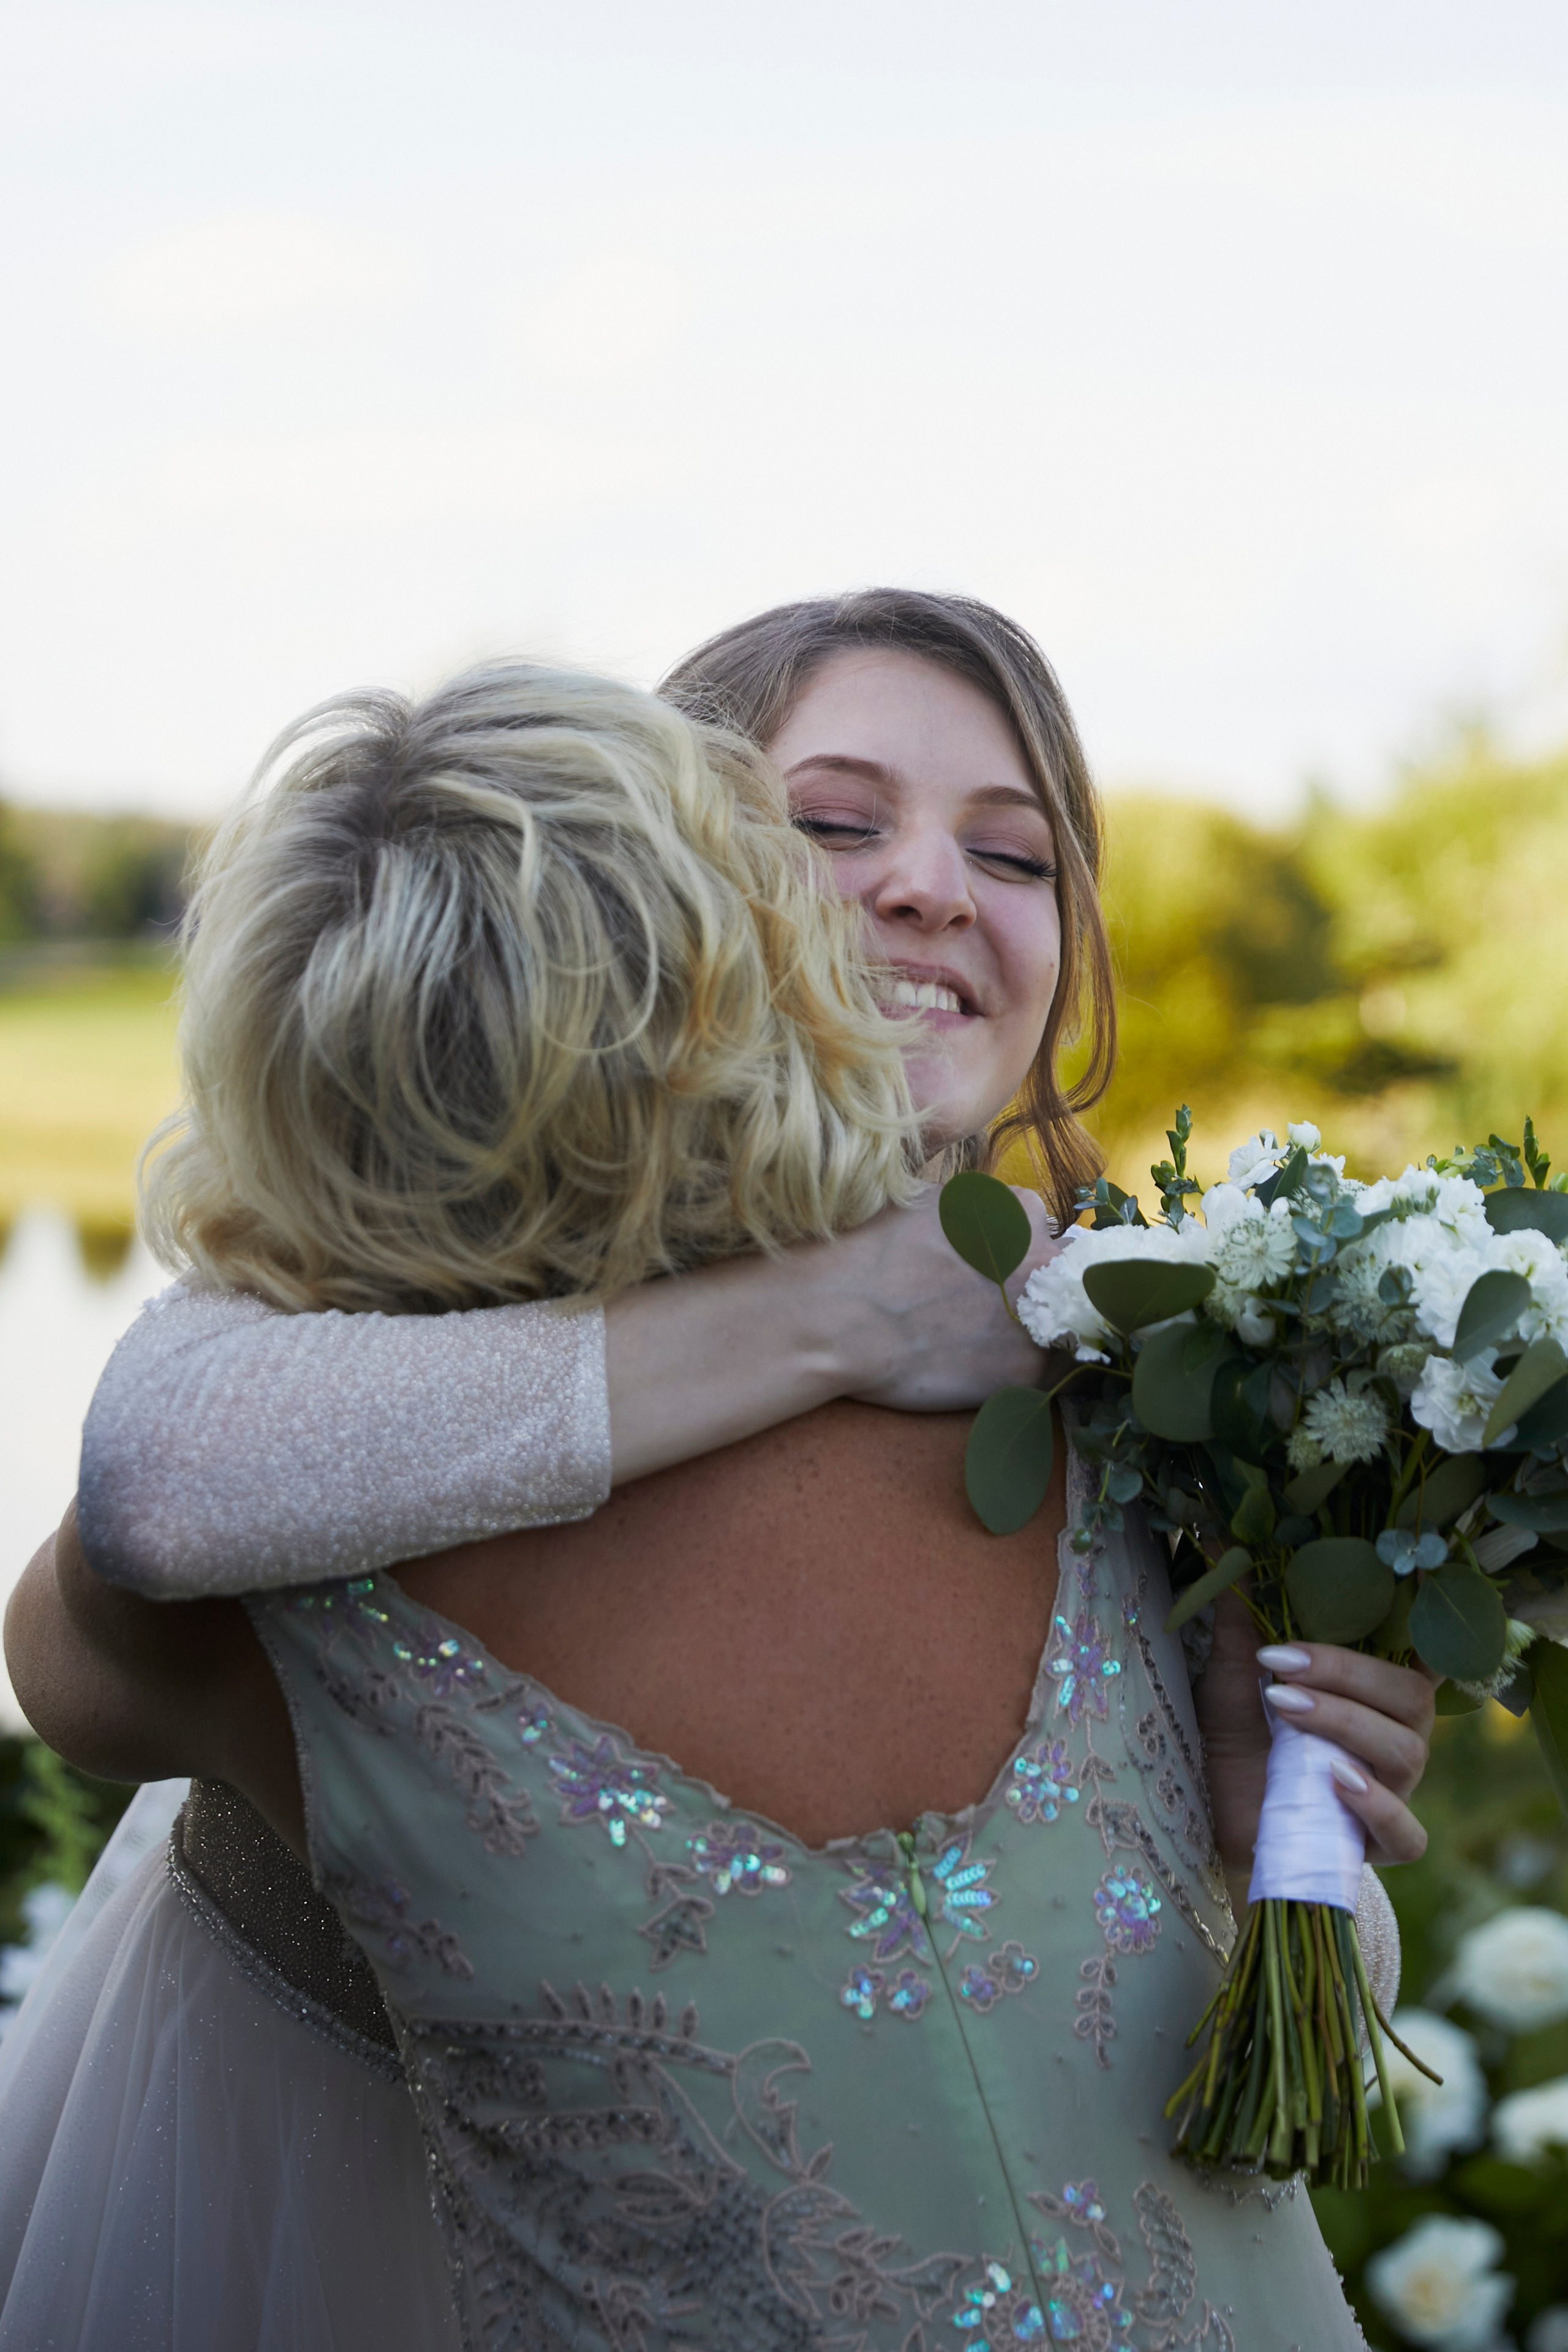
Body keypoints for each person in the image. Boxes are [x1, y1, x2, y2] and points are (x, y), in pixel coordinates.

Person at [4, 597, 1431, 2348]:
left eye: (1017, 853)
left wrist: (1258, 1841)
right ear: (668, 890)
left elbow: (1242, 2091)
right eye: (834, 825)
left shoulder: (1148, 1412)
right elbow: (148, 1479)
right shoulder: (361, 1463)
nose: (932, 888)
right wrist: (839, 1315)